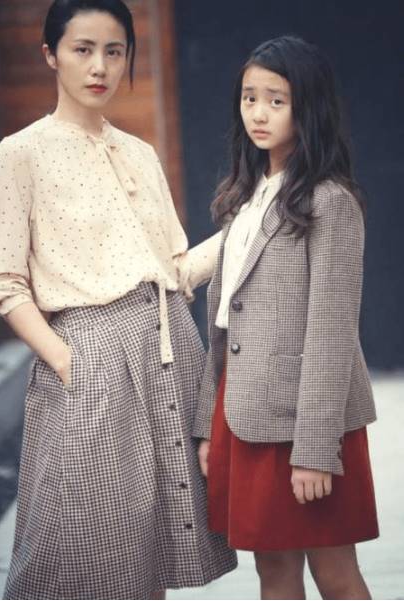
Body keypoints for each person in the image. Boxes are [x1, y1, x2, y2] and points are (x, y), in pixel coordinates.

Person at [0, 0, 236, 598]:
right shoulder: (20, 154)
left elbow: (174, 271)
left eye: (114, 52)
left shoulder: (140, 153)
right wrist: (64, 358)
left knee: (150, 548)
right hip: (89, 355)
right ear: (51, 55)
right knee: (84, 547)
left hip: (167, 350)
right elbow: (1, 282)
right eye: (83, 49)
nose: (100, 66)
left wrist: (249, 225)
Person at [194, 35, 378, 600]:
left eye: (277, 100)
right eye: (250, 98)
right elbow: (224, 322)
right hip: (244, 411)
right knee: (272, 570)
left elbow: (331, 333)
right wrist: (207, 424)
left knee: (334, 571)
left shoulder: (330, 201)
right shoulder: (246, 195)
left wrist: (316, 451)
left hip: (309, 421)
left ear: (308, 107)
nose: (259, 113)